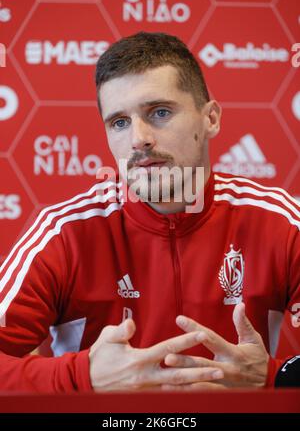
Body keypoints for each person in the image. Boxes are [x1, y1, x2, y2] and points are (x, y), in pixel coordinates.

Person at [0, 32, 299, 392]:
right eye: (120, 122)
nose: (138, 138)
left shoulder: (281, 223)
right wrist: (83, 378)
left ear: (211, 119)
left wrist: (274, 378)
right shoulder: (64, 233)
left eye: (159, 112)